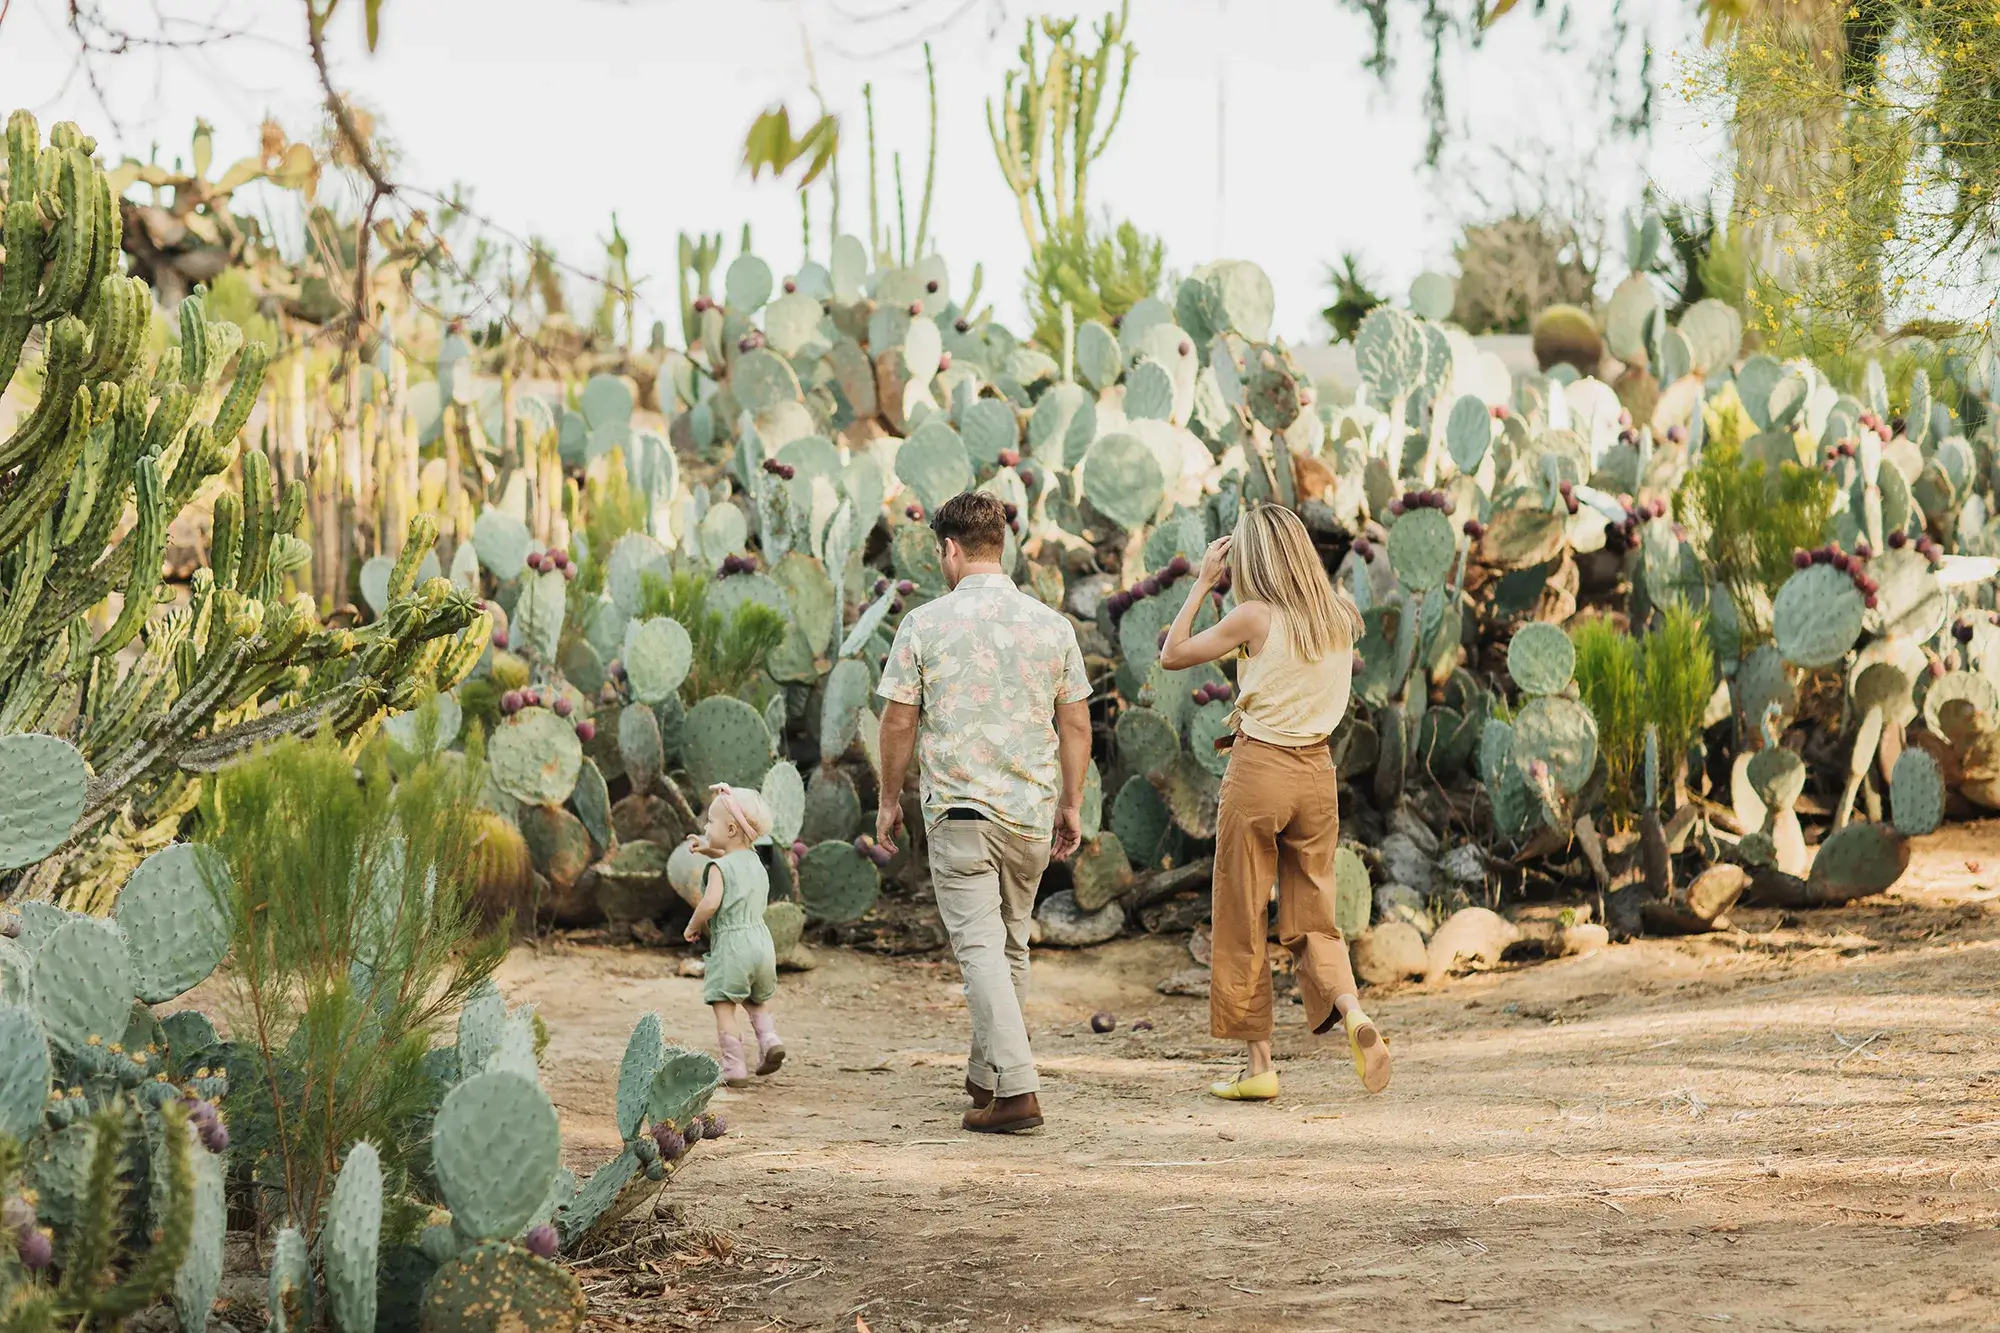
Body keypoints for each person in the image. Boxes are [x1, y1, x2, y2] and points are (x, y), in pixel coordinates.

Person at [875, 490, 1094, 1134]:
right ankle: (987, 1077)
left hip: (962, 813)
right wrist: (1072, 803)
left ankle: (1019, 1091)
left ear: (948, 548)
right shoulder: (1052, 625)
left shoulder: (924, 623)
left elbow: (897, 718)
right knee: (1009, 947)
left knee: (980, 950)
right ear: (1001, 545)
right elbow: (1076, 722)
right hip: (1029, 813)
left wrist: (890, 799)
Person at [1157, 504, 1390, 1102]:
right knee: (1315, 916)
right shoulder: (1339, 614)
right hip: (1318, 773)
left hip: (1259, 769)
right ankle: (1353, 1010)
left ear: (1254, 558)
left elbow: (1172, 654)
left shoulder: (1253, 617)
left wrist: (1203, 582)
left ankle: (1259, 1064)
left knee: (1242, 914)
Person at [683, 784, 785, 1087]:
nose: (705, 826)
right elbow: (734, 857)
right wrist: (706, 846)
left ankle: (734, 1067)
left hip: (732, 946)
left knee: (724, 1005)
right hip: (762, 944)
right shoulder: (756, 861)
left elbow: (710, 903)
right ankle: (769, 1040)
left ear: (729, 828)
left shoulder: (719, 868)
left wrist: (692, 925)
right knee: (756, 1001)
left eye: (710, 822)